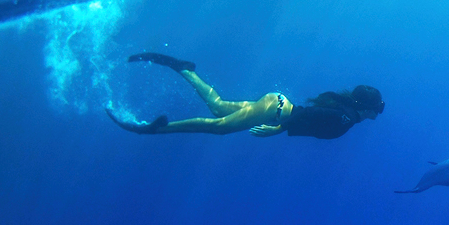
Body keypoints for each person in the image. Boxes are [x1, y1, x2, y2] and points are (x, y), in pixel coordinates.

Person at [107, 53, 383, 138]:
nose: (377, 113)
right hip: (275, 112)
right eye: (377, 108)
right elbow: (310, 114)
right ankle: (156, 130)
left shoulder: (348, 114)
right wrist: (278, 129)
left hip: (277, 101)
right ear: (366, 107)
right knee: (219, 128)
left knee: (217, 107)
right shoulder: (346, 118)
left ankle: (185, 69)